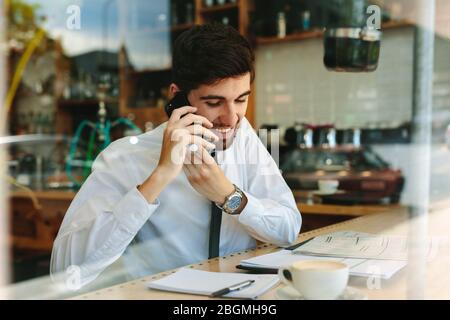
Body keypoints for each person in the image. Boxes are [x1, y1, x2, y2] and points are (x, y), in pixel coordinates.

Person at [50, 23, 301, 287]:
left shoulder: (244, 137)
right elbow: (65, 270)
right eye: (214, 103)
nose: (231, 118)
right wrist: (158, 178)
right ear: (178, 97)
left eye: (241, 100)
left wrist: (230, 197)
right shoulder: (125, 158)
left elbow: (288, 229)